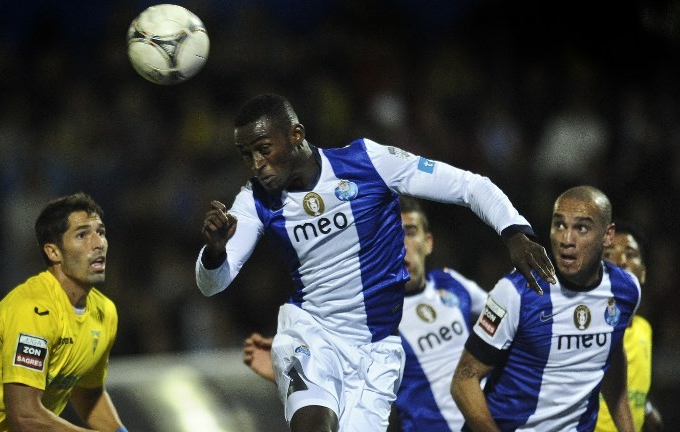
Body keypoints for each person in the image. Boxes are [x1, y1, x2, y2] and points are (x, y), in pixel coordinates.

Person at [196, 93, 556, 432]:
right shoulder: (253, 201)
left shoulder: (367, 162)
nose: (256, 164)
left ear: (296, 136)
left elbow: (468, 185)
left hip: (377, 351)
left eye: (263, 149)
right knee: (313, 423)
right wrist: (214, 252)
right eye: (246, 155)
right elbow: (213, 283)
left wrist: (515, 232)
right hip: (311, 334)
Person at [241, 196, 489, 431]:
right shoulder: (363, 313)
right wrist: (295, 367)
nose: (401, 244)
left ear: (428, 242)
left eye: (410, 232)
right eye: (391, 233)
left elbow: (503, 327)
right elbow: (345, 381)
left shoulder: (453, 283)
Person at [451, 185, 641, 432]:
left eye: (581, 228)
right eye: (559, 225)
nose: (566, 240)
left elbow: (610, 355)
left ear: (607, 236)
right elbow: (464, 379)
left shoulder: (626, 290)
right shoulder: (517, 291)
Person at [0, 192, 128, 432]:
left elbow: (88, 395)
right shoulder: (33, 309)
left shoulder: (105, 312)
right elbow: (24, 416)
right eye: (82, 235)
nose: (98, 243)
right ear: (53, 252)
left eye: (100, 232)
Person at [596, 221, 664, 432]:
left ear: (643, 273)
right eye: (609, 254)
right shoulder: (582, 327)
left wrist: (646, 409)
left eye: (631, 254)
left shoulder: (644, 329)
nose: (621, 261)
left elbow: (628, 388)